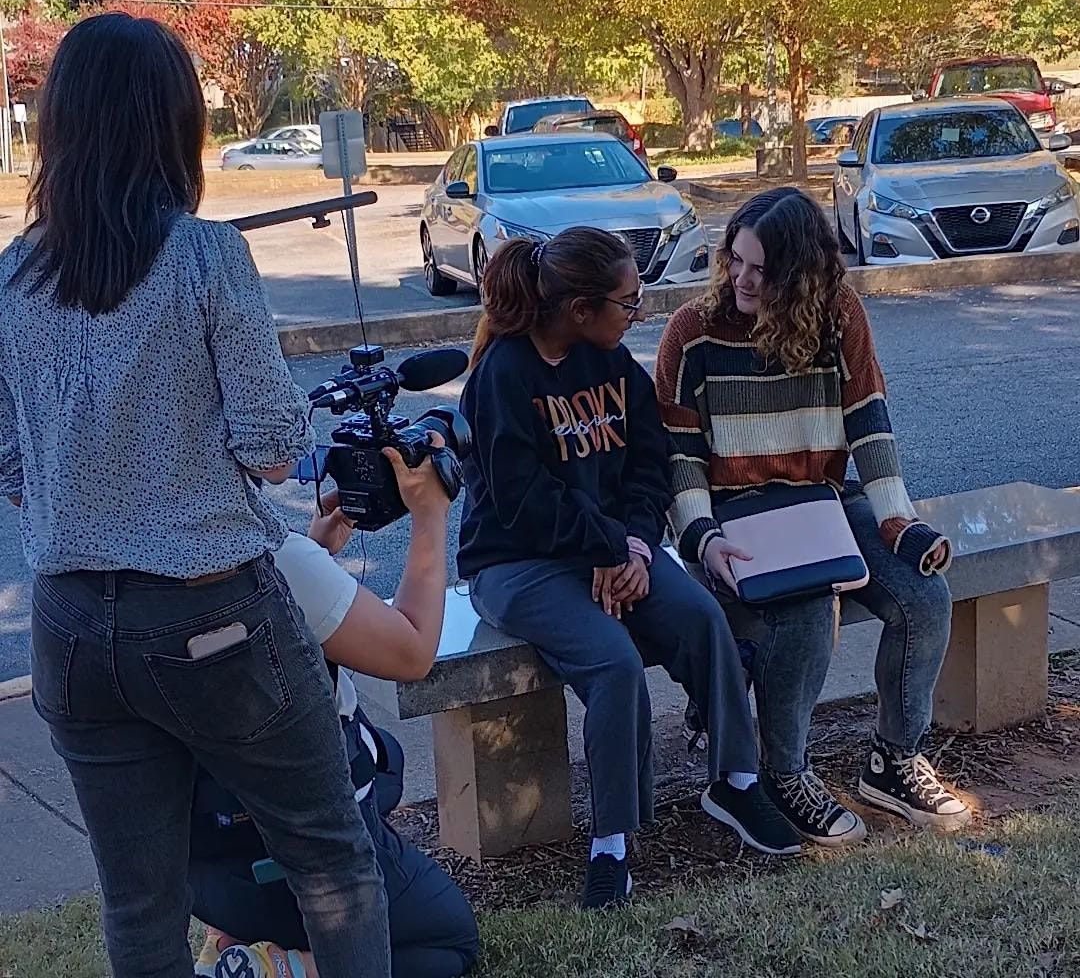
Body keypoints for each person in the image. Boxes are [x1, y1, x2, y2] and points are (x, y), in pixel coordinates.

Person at [0, 13, 389, 978]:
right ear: (173, 125)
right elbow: (272, 448)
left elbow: (11, 466)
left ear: (62, 127)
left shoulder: (11, 277)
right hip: (214, 614)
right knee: (331, 860)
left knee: (139, 904)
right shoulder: (207, 257)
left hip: (70, 626)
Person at [457, 227, 800, 911]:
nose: (637, 313)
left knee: (702, 618)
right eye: (627, 302)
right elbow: (525, 503)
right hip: (517, 563)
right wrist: (609, 548)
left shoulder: (613, 363)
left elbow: (650, 466)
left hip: (615, 550)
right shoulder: (503, 376)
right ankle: (611, 843)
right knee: (613, 662)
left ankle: (735, 780)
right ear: (579, 309)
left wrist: (637, 549)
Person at [655, 186, 972, 849]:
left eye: (762, 270)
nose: (742, 279)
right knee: (805, 611)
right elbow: (678, 458)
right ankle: (783, 775)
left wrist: (898, 523)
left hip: (819, 503)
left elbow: (869, 425)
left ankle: (893, 761)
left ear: (801, 277)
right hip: (729, 518)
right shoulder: (692, 331)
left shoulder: (839, 316)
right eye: (735, 260)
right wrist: (701, 539)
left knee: (925, 596)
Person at [189, 442, 479, 978]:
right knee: (447, 941)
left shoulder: (115, 562)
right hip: (305, 862)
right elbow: (412, 652)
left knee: (381, 764)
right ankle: (284, 967)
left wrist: (315, 551)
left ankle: (225, 943)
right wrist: (431, 515)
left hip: (203, 868)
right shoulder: (275, 558)